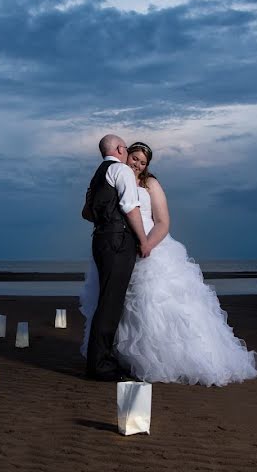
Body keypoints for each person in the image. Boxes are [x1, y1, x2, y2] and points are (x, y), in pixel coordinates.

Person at [80, 141, 257, 386]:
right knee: (118, 306)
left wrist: (147, 245)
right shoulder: (115, 176)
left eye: (143, 163)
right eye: (135, 158)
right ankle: (121, 358)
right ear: (126, 154)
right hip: (120, 247)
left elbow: (163, 222)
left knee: (153, 304)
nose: (138, 164)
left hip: (147, 248)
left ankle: (159, 360)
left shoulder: (150, 184)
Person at [81, 134, 151, 381]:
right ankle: (100, 365)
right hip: (118, 240)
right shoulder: (120, 170)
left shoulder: (98, 174)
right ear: (121, 149)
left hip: (100, 239)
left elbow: (86, 213)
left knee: (107, 300)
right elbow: (131, 208)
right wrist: (143, 240)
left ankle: (101, 360)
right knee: (111, 303)